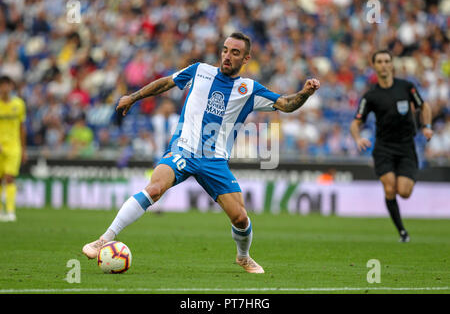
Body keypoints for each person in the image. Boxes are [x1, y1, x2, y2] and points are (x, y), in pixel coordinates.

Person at [82, 32, 320, 273]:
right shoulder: (199, 70)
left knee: (240, 218)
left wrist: (305, 94)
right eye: (225, 50)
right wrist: (133, 98)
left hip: (214, 161)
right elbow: (166, 82)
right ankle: (105, 237)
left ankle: (243, 256)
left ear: (246, 58)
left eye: (235, 52)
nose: (227, 56)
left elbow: (286, 104)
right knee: (154, 188)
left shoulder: (249, 89)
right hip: (183, 149)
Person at [350, 50, 433, 243]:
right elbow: (355, 122)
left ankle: (402, 226)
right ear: (374, 66)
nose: (384, 64)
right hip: (384, 148)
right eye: (379, 61)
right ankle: (402, 232)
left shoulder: (407, 87)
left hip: (406, 147)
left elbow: (424, 106)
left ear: (392, 64)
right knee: (389, 189)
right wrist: (358, 138)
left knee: (404, 192)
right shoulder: (371, 96)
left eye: (387, 61)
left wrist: (427, 127)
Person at [0, 76, 27, 222]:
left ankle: (10, 211)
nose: (5, 88)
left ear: (11, 86)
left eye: (7, 85)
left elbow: (22, 128)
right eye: (2, 85)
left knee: (9, 178)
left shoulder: (19, 104)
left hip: (13, 146)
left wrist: (23, 149)